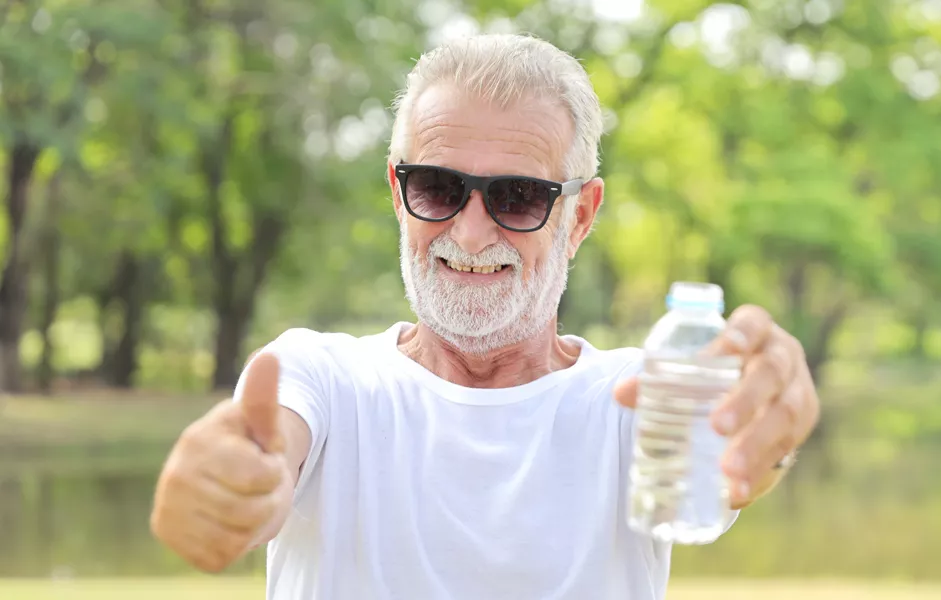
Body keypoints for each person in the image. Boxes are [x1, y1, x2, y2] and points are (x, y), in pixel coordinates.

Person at [149, 33, 821, 599]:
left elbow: (734, 458)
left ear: (579, 215)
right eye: (437, 187)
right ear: (398, 191)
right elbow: (264, 449)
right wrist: (226, 484)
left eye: (519, 197)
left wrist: (768, 426)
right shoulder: (321, 379)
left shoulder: (632, 398)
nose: (470, 234)